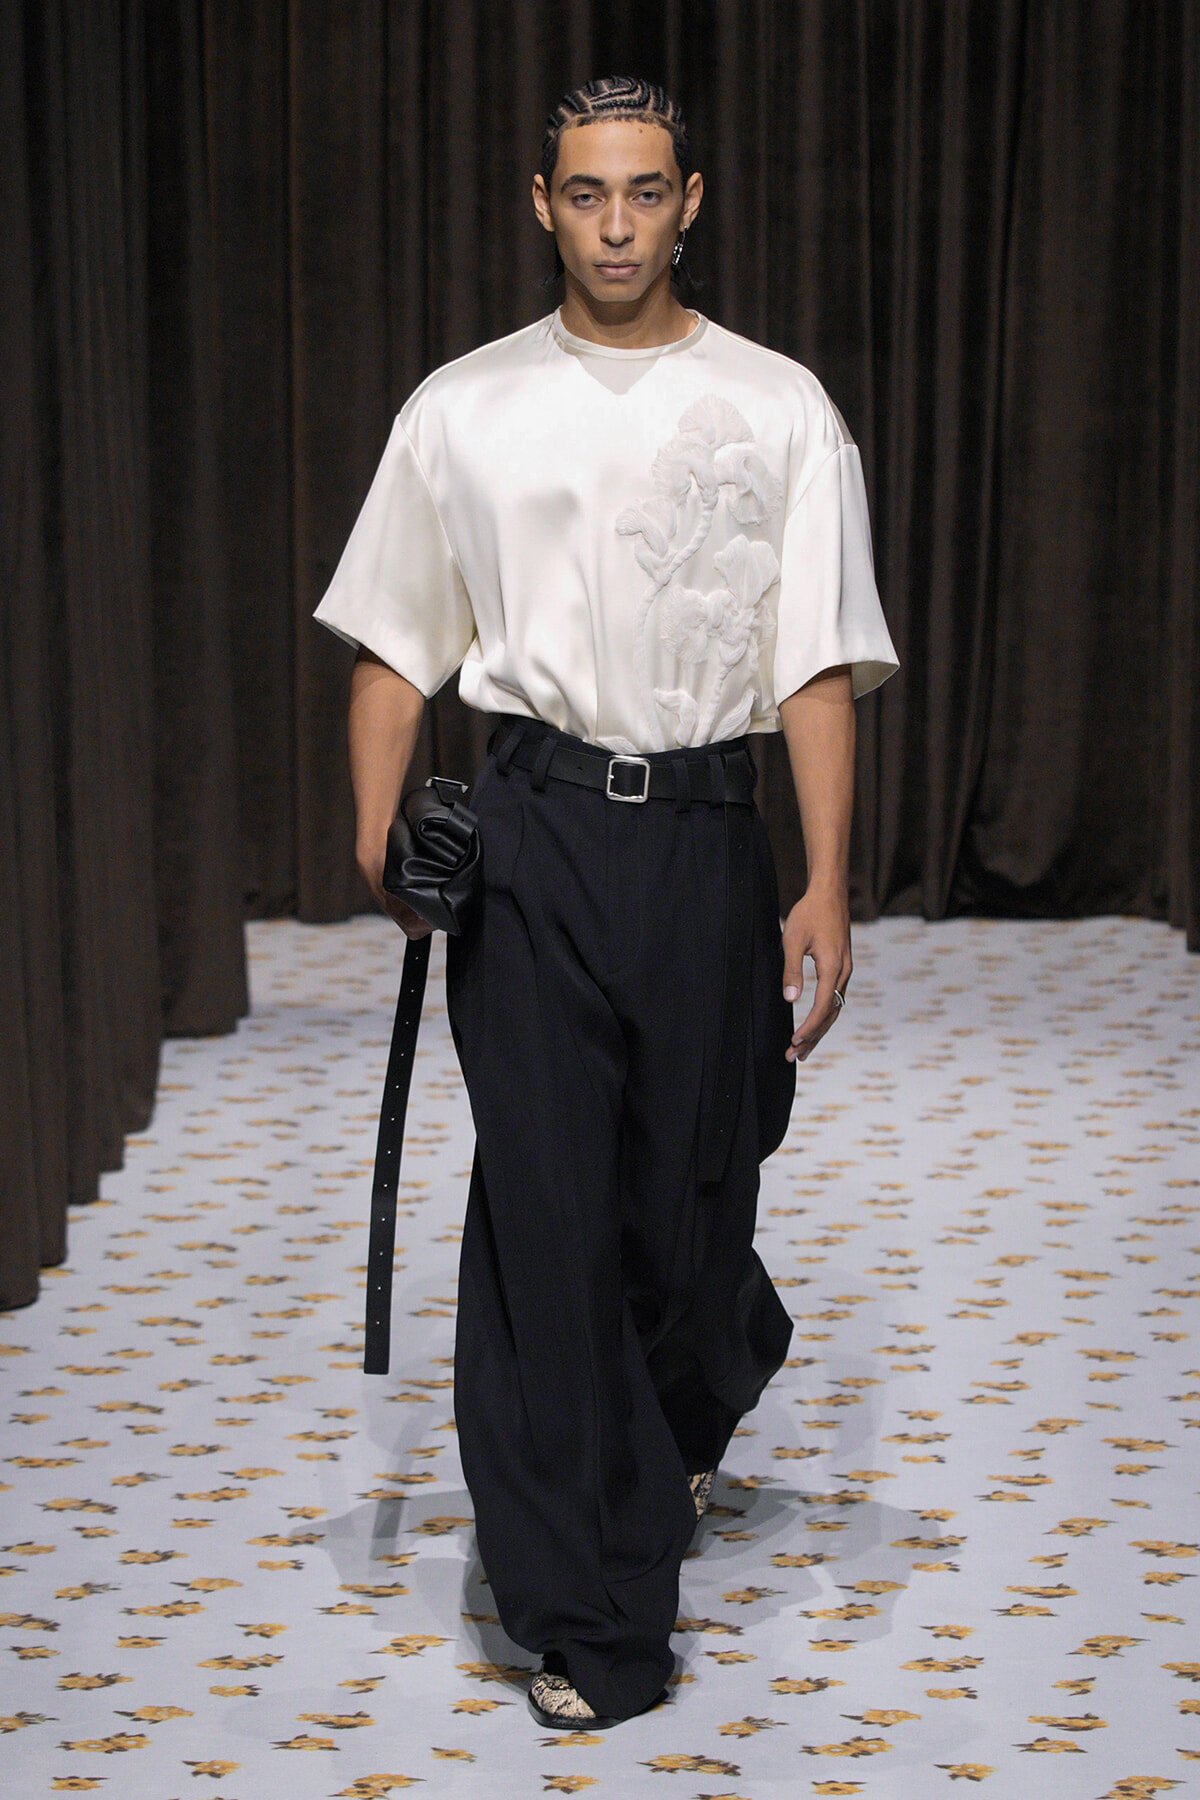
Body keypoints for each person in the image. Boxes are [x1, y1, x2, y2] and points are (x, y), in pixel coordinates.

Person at [313, 75, 898, 1730]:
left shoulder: (782, 408)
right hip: (536, 831)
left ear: (693, 198)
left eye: (647, 192)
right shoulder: (466, 409)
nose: (620, 224)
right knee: (552, 1223)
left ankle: (704, 1376)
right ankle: (592, 1614)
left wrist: (826, 884)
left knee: (690, 1213)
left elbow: (818, 668)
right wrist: (382, 849)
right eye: (589, 194)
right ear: (542, 202)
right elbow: (390, 641)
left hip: (711, 839)